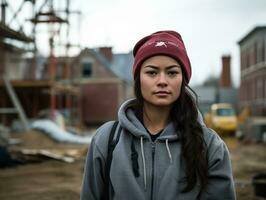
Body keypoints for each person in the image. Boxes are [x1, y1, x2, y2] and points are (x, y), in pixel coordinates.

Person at [80, 30, 236, 200]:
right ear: (138, 79)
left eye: (172, 72)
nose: (162, 81)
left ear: (182, 80)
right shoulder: (107, 140)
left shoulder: (209, 145)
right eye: (152, 72)